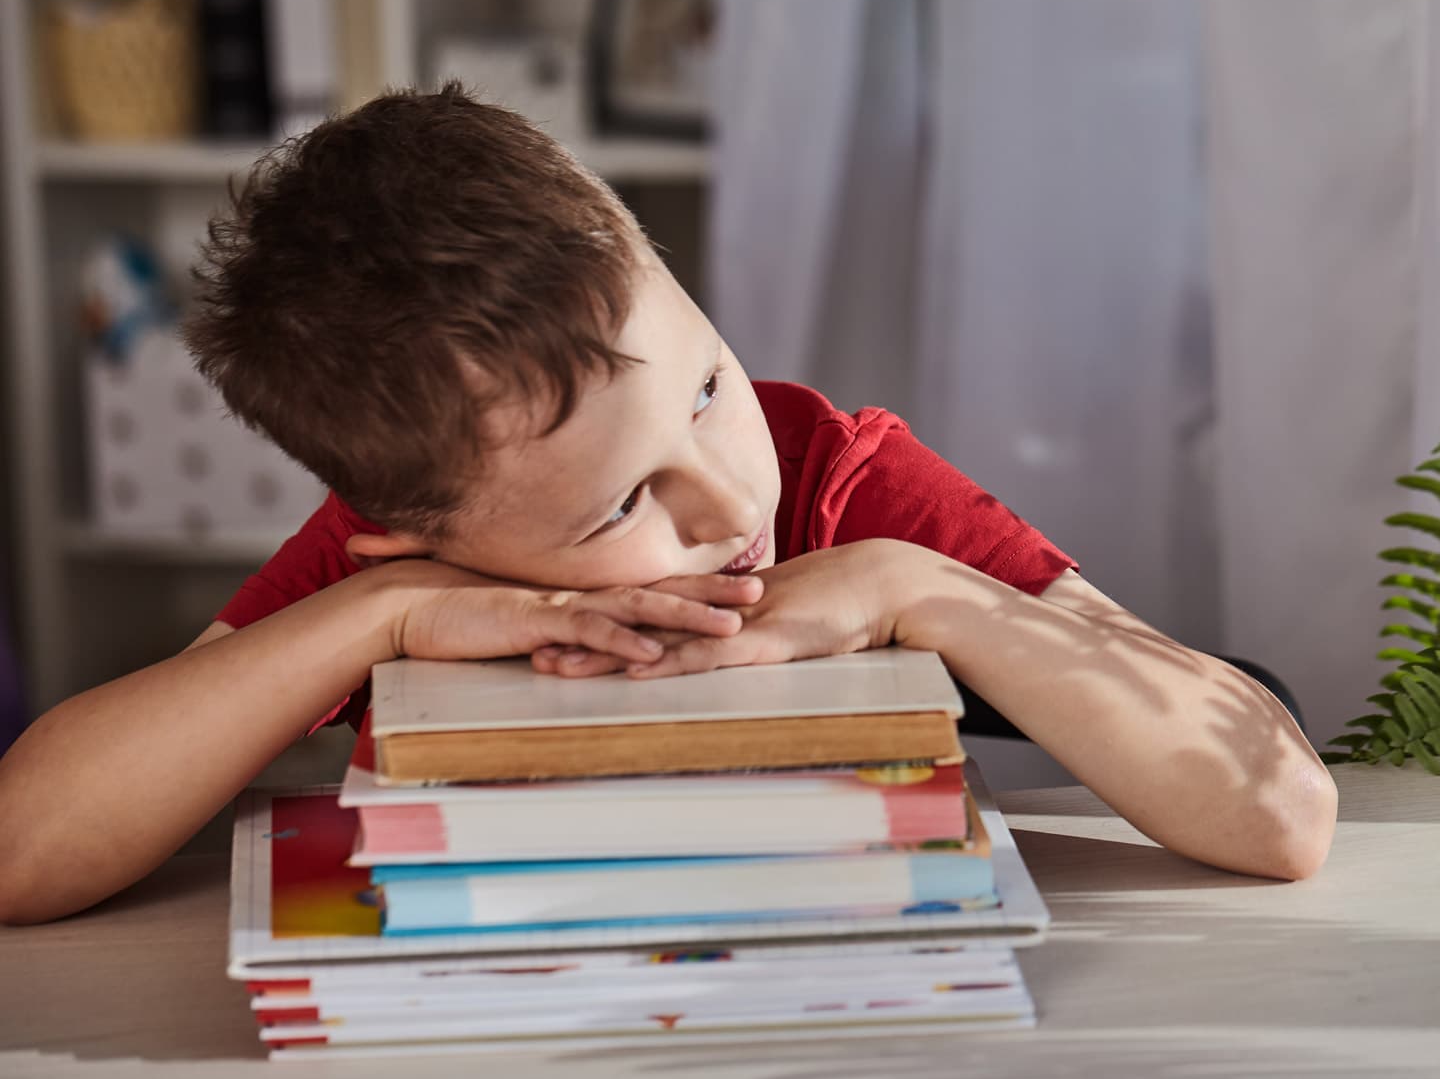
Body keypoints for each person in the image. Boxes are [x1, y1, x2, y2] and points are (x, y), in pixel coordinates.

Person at [0, 85, 1335, 926]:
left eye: (704, 385)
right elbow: (22, 853)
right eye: (619, 502)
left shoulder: (832, 473)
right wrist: (383, 616)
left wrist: (911, 589)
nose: (726, 499)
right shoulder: (398, 568)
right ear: (423, 533)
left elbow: (1280, 816)